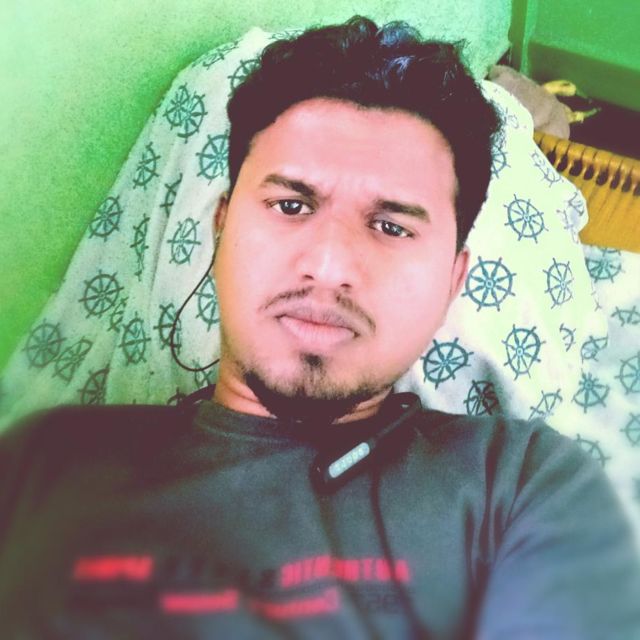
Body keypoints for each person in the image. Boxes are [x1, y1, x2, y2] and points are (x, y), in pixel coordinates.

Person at [0, 16, 638, 639]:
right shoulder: (53, 460)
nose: (329, 266)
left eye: (390, 226)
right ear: (220, 230)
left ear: (452, 280)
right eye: (291, 205)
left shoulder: (517, 483)